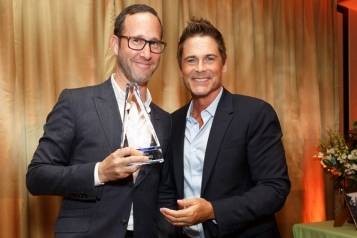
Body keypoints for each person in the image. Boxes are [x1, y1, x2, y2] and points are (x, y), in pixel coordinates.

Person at [26, 4, 171, 238]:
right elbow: (37, 177)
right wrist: (99, 173)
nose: (146, 53)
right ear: (115, 44)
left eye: (154, 43)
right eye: (136, 41)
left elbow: (164, 192)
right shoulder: (75, 102)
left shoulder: (165, 120)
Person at [159, 19, 290, 238]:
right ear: (181, 68)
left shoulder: (255, 114)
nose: (200, 68)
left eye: (209, 59)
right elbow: (167, 190)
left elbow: (274, 189)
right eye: (191, 60)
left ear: (224, 64)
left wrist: (212, 211)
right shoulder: (172, 122)